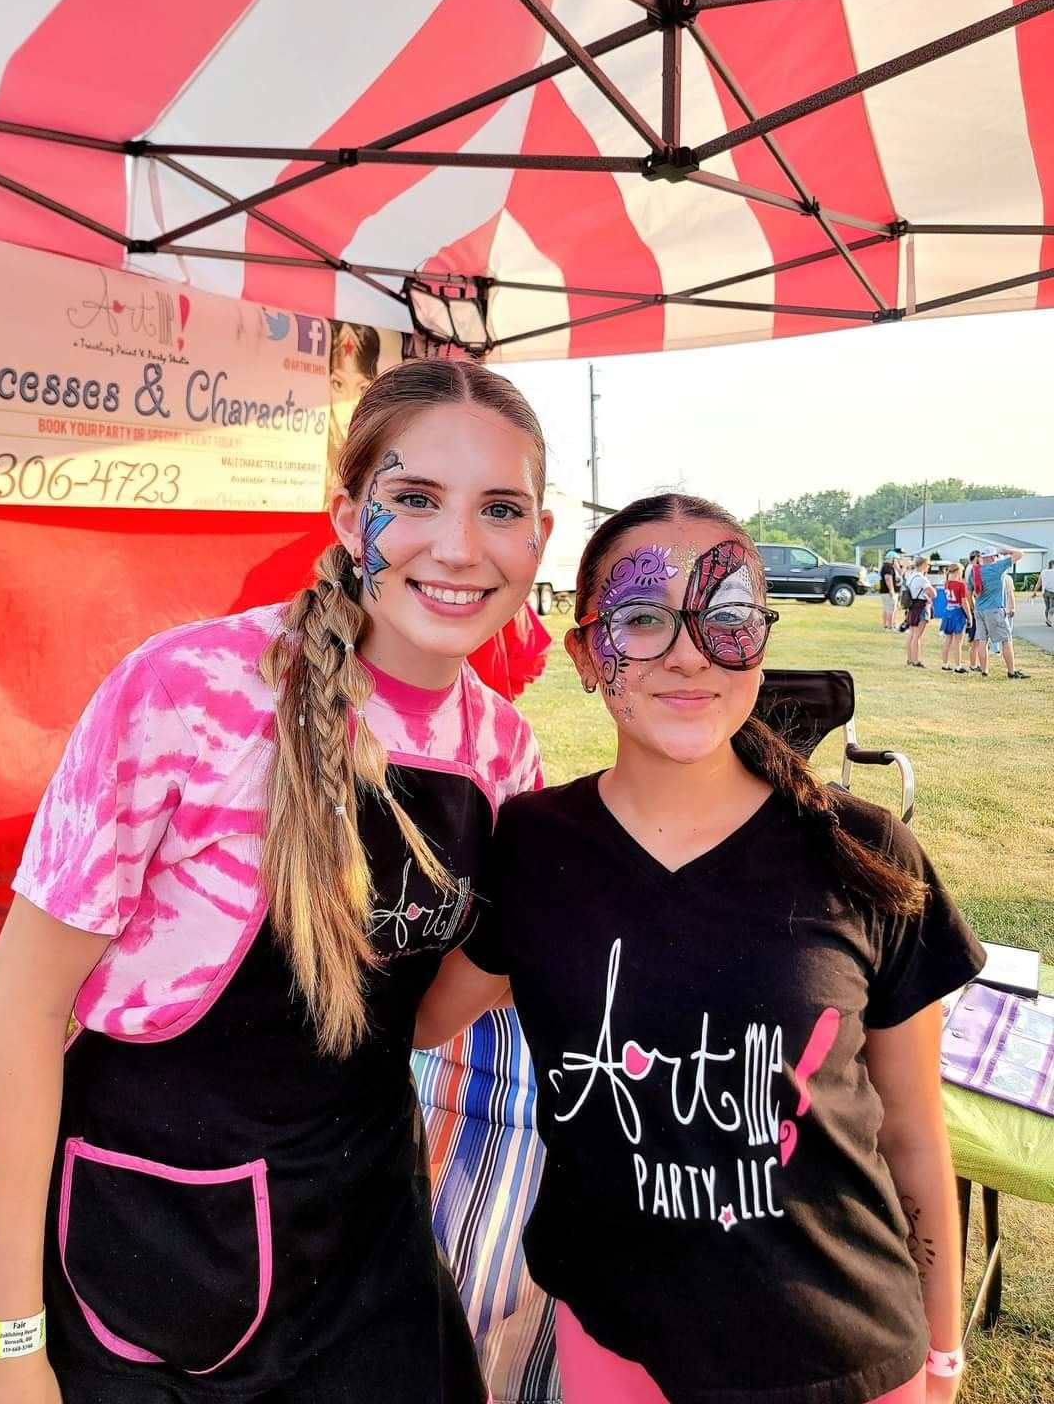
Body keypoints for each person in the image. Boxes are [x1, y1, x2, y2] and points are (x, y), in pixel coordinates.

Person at [0, 360, 554, 1404]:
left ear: (538, 540)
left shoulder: (504, 754)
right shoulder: (188, 692)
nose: (458, 546)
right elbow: (17, 1011)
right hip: (150, 1255)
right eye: (414, 499)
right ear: (347, 515)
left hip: (368, 1243)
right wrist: (1, 1343)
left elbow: (413, 1024)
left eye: (499, 509)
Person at [417, 493, 985, 1404]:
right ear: (583, 651)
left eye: (724, 618)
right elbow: (414, 1017)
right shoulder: (531, 846)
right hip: (618, 1344)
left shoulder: (866, 854)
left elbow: (916, 1134)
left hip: (841, 1354)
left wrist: (944, 1352)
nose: (687, 653)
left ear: (760, 637)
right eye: (641, 618)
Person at [967, 543, 1028, 679]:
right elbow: (1020, 554)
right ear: (993, 557)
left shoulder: (975, 571)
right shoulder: (997, 567)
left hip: (979, 610)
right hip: (994, 609)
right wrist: (1006, 551)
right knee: (1006, 640)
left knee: (983, 641)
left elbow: (968, 593)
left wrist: (973, 608)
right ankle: (1011, 672)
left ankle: (984, 671)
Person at [937, 564, 971, 674]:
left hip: (948, 612)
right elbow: (964, 602)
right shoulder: (961, 584)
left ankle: (945, 664)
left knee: (948, 639)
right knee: (958, 641)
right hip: (957, 613)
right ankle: (958, 665)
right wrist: (969, 616)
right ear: (957, 571)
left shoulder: (946, 583)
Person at [903, 557, 935, 668]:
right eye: (928, 564)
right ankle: (916, 660)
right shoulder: (922, 579)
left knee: (912, 634)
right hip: (921, 606)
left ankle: (910, 658)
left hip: (912, 606)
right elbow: (933, 593)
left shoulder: (910, 576)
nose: (929, 566)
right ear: (923, 565)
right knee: (917, 636)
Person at [879, 553, 900, 631]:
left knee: (886, 609)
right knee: (891, 608)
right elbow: (888, 578)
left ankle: (885, 625)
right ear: (892, 559)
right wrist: (891, 590)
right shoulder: (888, 567)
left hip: (884, 591)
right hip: (888, 591)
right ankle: (890, 626)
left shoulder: (884, 566)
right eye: (896, 559)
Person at [1034, 558, 1054, 627]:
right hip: (1053, 592)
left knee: (1047, 607)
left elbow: (1038, 583)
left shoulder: (1043, 572)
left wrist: (1034, 592)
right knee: (1053, 607)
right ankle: (1049, 619)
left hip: (1045, 592)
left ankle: (1048, 620)